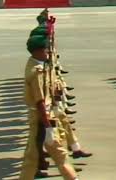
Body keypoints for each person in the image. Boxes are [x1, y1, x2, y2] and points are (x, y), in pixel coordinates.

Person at [19, 35, 78, 180]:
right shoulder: (36, 71)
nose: (47, 52)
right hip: (42, 119)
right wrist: (48, 128)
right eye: (45, 49)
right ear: (37, 51)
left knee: (31, 159)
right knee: (60, 155)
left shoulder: (38, 65)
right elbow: (40, 101)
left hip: (42, 118)